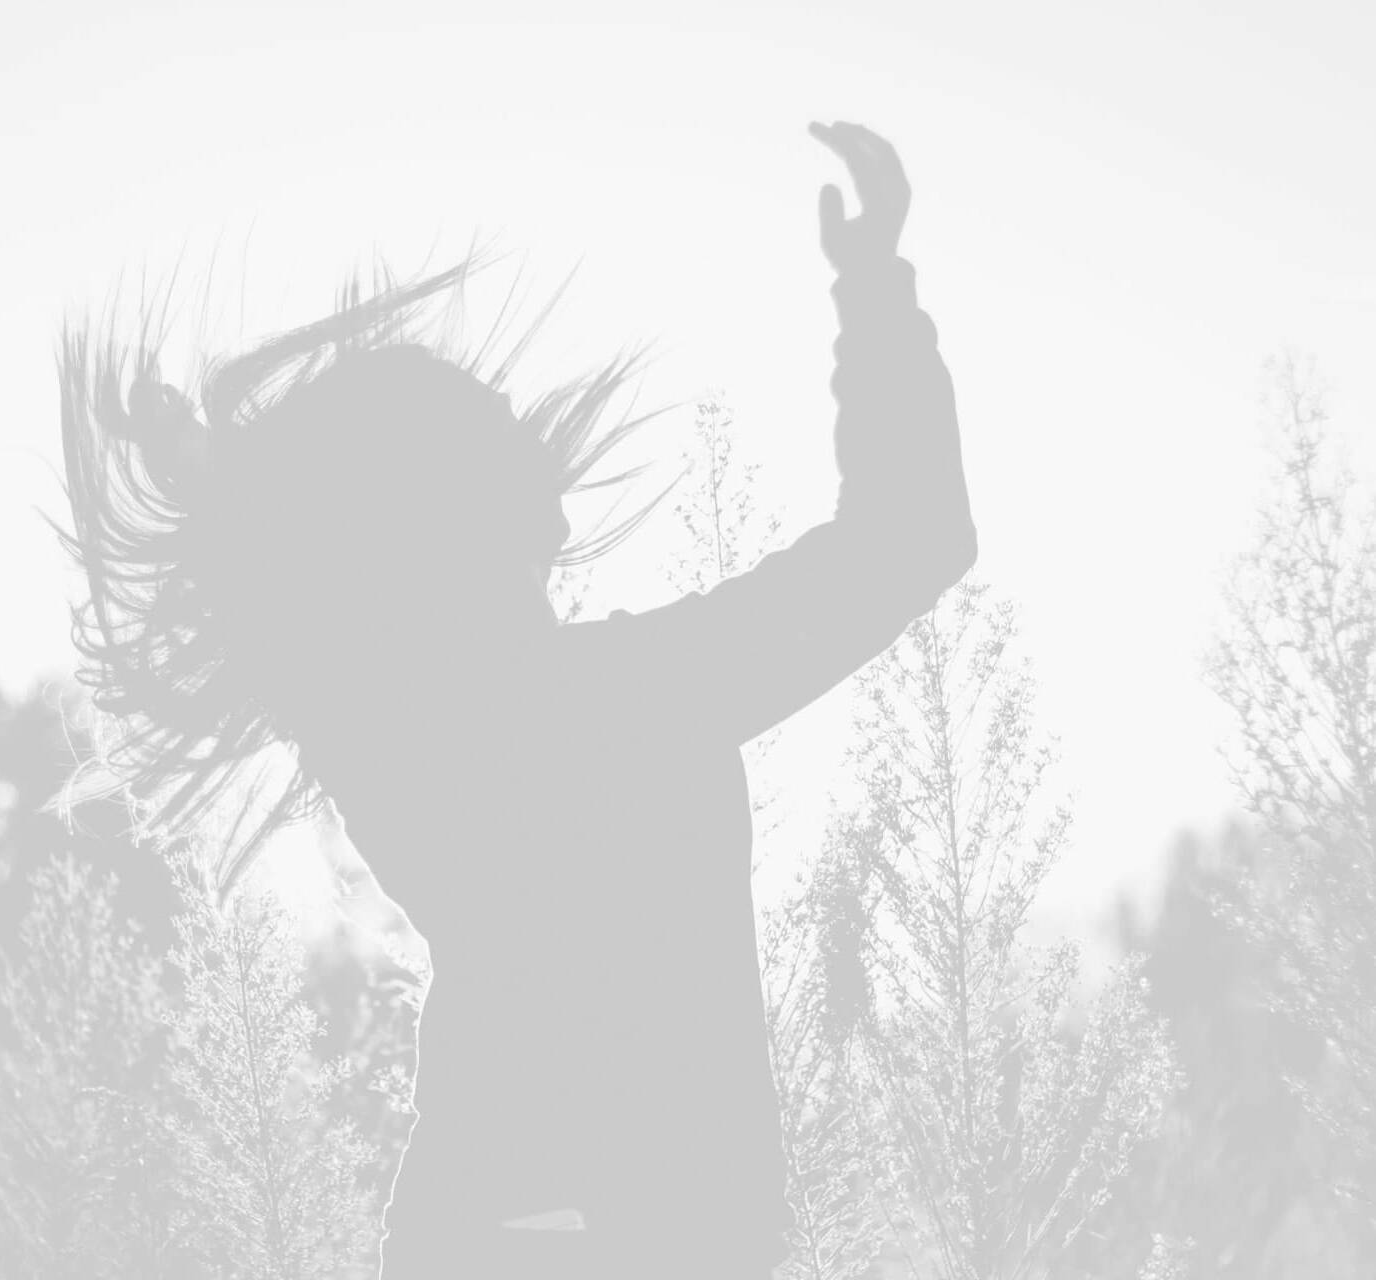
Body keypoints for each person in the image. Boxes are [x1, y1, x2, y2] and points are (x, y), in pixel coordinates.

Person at [54, 119, 976, 1280]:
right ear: (450, 507)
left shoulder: (386, 724)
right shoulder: (624, 697)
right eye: (489, 420)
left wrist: (224, 479)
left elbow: (310, 589)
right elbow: (910, 535)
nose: (519, 421)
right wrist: (873, 286)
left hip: (499, 1226)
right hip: (607, 1238)